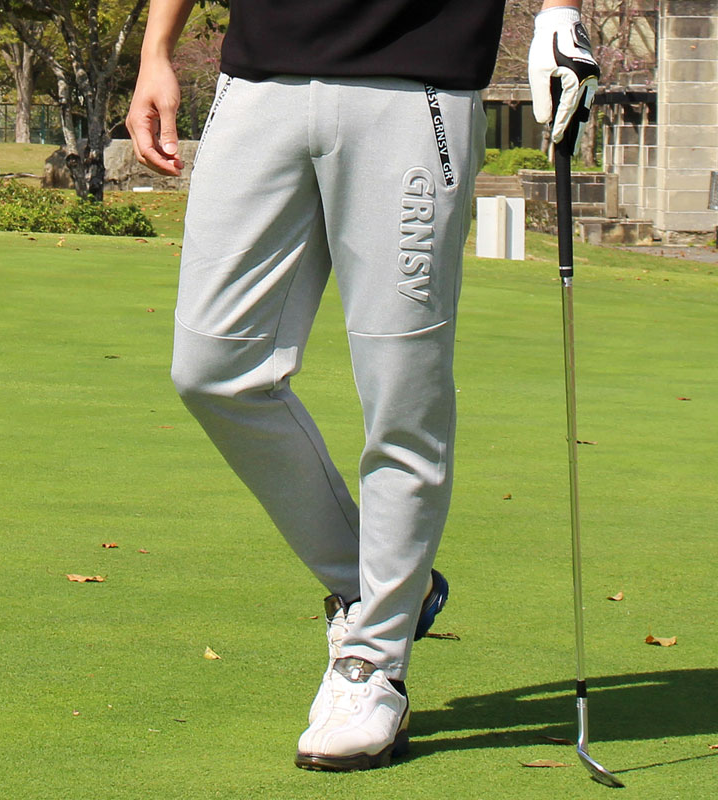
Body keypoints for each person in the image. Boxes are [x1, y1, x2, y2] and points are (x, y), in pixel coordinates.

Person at [127, 0, 598, 772]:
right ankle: (376, 585)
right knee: (211, 369)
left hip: (417, 86)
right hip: (260, 82)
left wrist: (559, 12)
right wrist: (157, 50)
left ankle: (374, 663)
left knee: (401, 394)